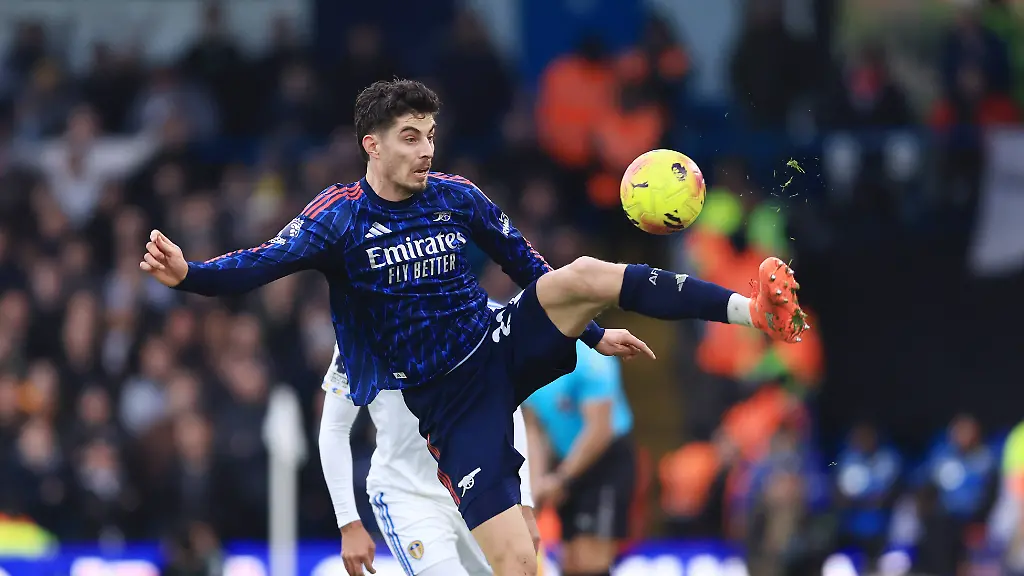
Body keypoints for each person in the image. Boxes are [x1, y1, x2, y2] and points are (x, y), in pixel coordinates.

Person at [139, 79, 806, 576]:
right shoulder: (337, 219)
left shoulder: (456, 197)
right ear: (372, 145)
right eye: (410, 137)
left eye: (430, 136)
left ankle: (752, 310)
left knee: (579, 274)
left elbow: (526, 265)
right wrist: (189, 274)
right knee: (517, 566)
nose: (426, 150)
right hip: (454, 408)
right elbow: (258, 264)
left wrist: (592, 333)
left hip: (497, 342)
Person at [320, 301, 541, 576]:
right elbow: (334, 428)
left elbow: (507, 407)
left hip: (478, 488)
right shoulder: (362, 332)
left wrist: (524, 503)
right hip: (408, 494)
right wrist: (348, 523)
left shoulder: (478, 313)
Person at [523, 339, 636, 576]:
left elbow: (599, 429)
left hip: (605, 461)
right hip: (564, 461)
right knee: (570, 561)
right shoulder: (526, 361)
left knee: (590, 559)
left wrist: (563, 479)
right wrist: (535, 486)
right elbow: (534, 430)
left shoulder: (591, 359)